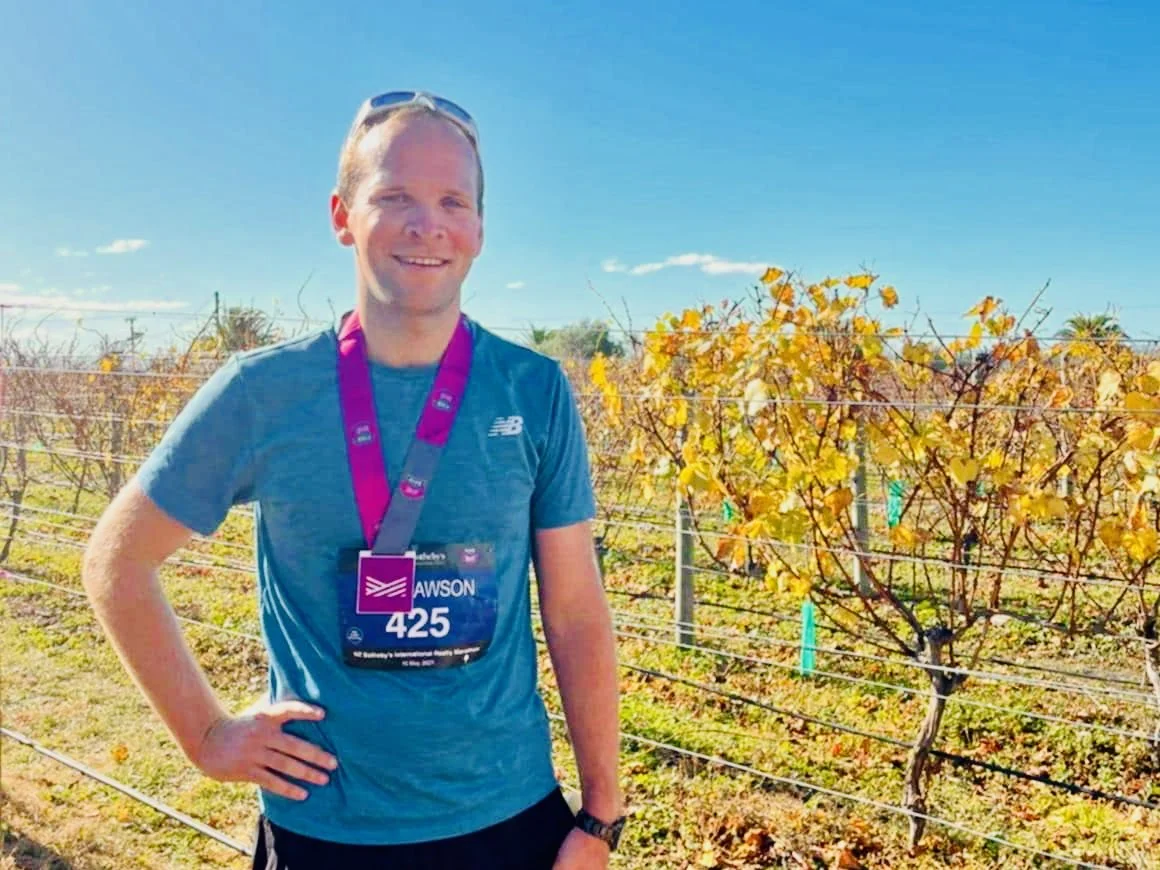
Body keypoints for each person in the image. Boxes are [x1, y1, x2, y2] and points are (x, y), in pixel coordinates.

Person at [82, 90, 625, 869]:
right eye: (394, 196)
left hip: (511, 818)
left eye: (451, 200)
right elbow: (116, 559)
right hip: (326, 832)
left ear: (478, 227)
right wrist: (207, 735)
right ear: (342, 216)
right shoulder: (263, 392)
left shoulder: (531, 390)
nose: (426, 223)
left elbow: (574, 611)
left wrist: (600, 816)